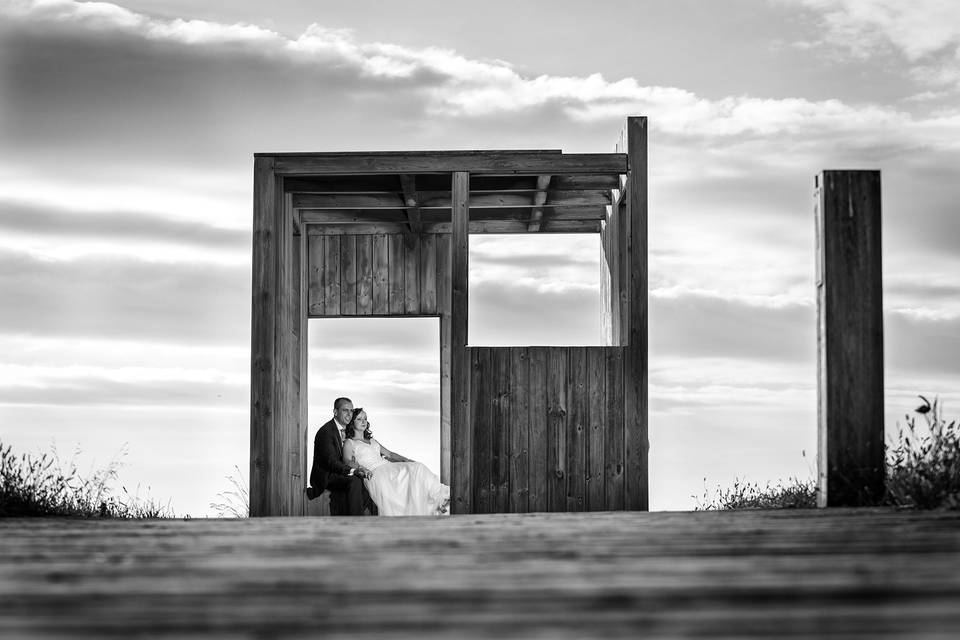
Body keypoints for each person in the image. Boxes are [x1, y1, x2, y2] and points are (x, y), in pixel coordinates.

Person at [342, 408, 450, 516]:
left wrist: (406, 460)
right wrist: (361, 468)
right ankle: (439, 501)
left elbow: (390, 454)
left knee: (417, 467)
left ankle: (440, 499)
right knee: (414, 471)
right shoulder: (350, 442)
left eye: (365, 418)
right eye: (359, 419)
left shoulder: (372, 441)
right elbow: (347, 460)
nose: (363, 421)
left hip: (387, 466)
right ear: (352, 422)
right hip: (375, 473)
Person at [307, 397, 376, 516]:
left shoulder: (347, 431)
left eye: (351, 411)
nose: (349, 414)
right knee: (355, 481)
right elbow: (331, 462)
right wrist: (354, 470)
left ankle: (358, 516)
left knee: (369, 481)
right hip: (327, 475)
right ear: (335, 412)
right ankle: (355, 521)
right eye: (345, 410)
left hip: (341, 472)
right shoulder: (326, 432)